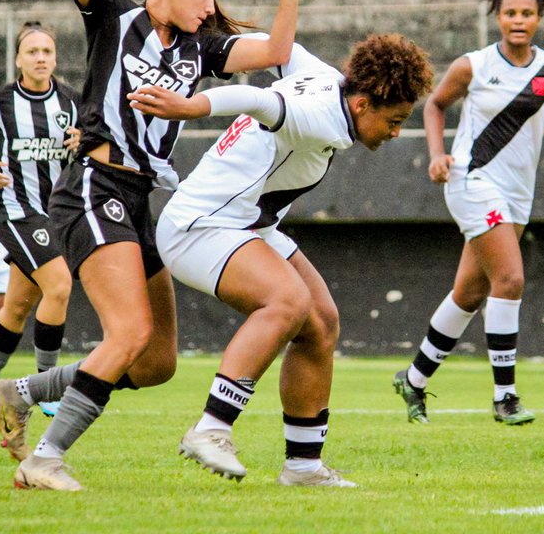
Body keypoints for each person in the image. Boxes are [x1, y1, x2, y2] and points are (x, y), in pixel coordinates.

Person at [0, 0, 308, 491]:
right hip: (92, 187)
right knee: (128, 334)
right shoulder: (116, 17)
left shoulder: (198, 47)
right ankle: (44, 460)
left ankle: (17, 393)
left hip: (146, 200)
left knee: (156, 362)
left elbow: (277, 50)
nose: (212, 8)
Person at [145, 33, 432, 487]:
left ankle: (303, 466)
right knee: (287, 303)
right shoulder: (318, 116)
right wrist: (191, 106)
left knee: (320, 323)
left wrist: (222, 32)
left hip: (245, 225)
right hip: (200, 226)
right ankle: (211, 429)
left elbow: (275, 47)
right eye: (393, 121)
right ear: (361, 106)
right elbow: (257, 99)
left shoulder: (330, 80)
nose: (396, 133)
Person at [393, 0, 544, 425]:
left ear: (539, 18)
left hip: (518, 193)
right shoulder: (474, 65)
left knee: (470, 291)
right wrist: (437, 154)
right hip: (472, 180)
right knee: (511, 280)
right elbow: (436, 105)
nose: (518, 20)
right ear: (496, 17)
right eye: (510, 12)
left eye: (528, 13)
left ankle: (414, 380)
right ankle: (505, 398)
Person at [0, 21, 81, 422]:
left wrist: (85, 140)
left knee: (16, 307)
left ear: (55, 57)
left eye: (47, 51)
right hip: (16, 212)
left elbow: (92, 140)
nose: (40, 58)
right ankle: (47, 386)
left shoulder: (71, 102)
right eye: (32, 52)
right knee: (59, 285)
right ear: (18, 59)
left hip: (56, 215)